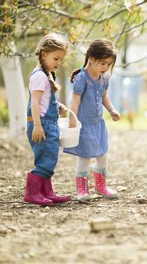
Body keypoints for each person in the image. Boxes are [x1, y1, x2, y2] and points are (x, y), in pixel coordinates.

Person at [64, 39, 121, 201]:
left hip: (98, 125)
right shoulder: (82, 78)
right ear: (91, 58)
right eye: (102, 63)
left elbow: (104, 96)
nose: (105, 68)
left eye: (108, 64)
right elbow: (74, 102)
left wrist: (111, 110)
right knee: (85, 156)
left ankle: (101, 185)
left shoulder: (104, 78)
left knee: (103, 154)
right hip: (84, 125)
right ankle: (82, 189)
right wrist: (72, 122)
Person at [25, 33, 71, 206]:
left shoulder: (48, 74)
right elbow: (34, 103)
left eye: (61, 59)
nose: (58, 63)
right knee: (44, 159)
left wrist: (57, 105)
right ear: (44, 54)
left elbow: (44, 100)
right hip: (41, 125)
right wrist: (37, 125)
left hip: (49, 125)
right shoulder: (39, 76)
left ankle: (46, 191)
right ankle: (32, 193)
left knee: (50, 158)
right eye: (56, 58)